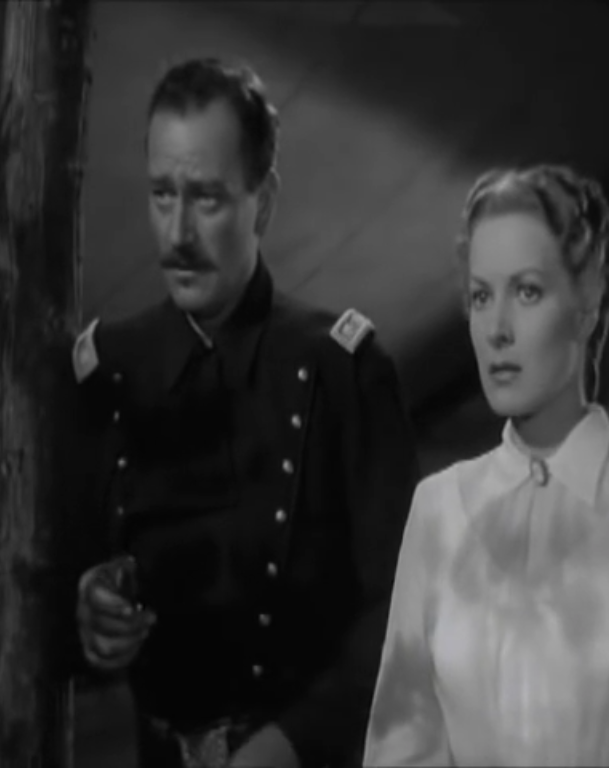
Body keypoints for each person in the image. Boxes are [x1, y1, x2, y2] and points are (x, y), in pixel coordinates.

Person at [70, 57, 419, 768]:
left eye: (206, 198)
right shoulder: (110, 369)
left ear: (263, 202)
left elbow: (405, 609)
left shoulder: (343, 371)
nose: (177, 234)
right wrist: (85, 610)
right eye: (161, 194)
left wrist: (288, 745)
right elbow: (47, 585)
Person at [362, 164, 609, 766]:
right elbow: (402, 742)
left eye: (526, 292)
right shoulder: (437, 509)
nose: (497, 330)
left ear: (587, 302)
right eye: (481, 297)